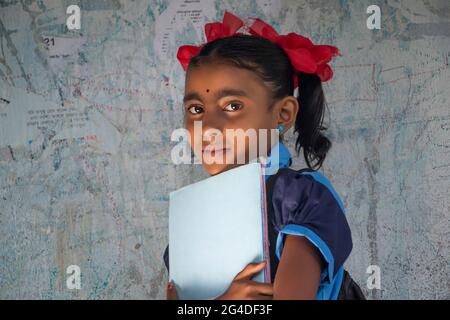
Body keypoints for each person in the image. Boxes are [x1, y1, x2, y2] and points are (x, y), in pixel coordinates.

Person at [165, 11, 363, 300]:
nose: (206, 127)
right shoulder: (188, 221)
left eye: (232, 106)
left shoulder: (300, 199)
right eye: (196, 109)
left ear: (283, 113)